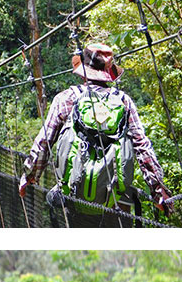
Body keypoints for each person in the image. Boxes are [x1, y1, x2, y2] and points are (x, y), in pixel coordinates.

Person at [18, 43, 172, 214]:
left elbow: (44, 141)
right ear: (109, 72)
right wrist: (158, 191)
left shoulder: (66, 98)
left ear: (83, 71)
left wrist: (29, 175)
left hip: (74, 198)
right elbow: (142, 145)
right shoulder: (123, 101)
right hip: (114, 199)